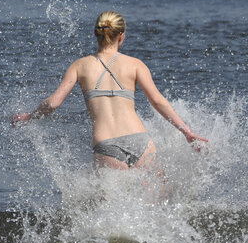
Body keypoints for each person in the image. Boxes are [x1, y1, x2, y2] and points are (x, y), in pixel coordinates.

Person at [12, 11, 207, 171]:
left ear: (95, 34)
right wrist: (186, 132)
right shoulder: (135, 64)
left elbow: (53, 103)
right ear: (121, 36)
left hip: (105, 143)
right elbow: (158, 101)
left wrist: (30, 117)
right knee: (160, 203)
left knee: (111, 211)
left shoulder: (79, 66)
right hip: (139, 139)